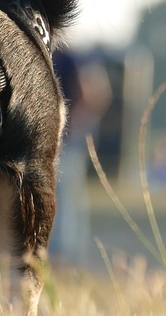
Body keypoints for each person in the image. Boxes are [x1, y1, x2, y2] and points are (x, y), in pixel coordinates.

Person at [50, 47, 112, 267]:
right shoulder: (72, 56)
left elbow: (91, 95)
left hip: (64, 142)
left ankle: (62, 256)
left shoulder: (68, 57)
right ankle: (70, 256)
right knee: (71, 198)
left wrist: (70, 126)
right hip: (66, 140)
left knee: (62, 198)